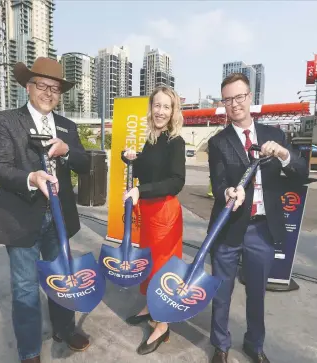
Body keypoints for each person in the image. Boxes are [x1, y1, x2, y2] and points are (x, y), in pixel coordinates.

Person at [0, 57, 91, 363]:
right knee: (24, 289)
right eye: (43, 86)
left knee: (61, 277)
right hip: (20, 217)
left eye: (55, 88)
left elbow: (85, 164)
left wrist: (68, 150)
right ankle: (30, 350)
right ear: (28, 87)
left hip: (59, 220)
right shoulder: (7, 121)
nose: (49, 93)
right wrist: (31, 178)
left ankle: (64, 328)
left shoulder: (67, 126)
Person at [208, 73, 308, 363]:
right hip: (228, 227)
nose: (234, 104)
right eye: (228, 99)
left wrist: (284, 156)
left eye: (239, 97)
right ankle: (221, 346)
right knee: (221, 292)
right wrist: (228, 192)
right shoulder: (219, 142)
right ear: (223, 104)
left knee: (257, 294)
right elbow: (217, 184)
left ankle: (254, 344)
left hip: (262, 229)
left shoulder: (274, 135)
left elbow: (301, 174)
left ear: (250, 97)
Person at [123, 86, 186, 355]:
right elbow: (143, 171)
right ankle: (150, 306)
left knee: (163, 270)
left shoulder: (176, 142)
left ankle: (162, 325)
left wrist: (141, 191)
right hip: (148, 212)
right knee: (149, 264)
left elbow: (176, 181)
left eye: (166, 107)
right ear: (151, 108)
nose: (160, 111)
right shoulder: (152, 139)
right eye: (157, 106)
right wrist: (127, 158)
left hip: (165, 214)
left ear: (173, 112)